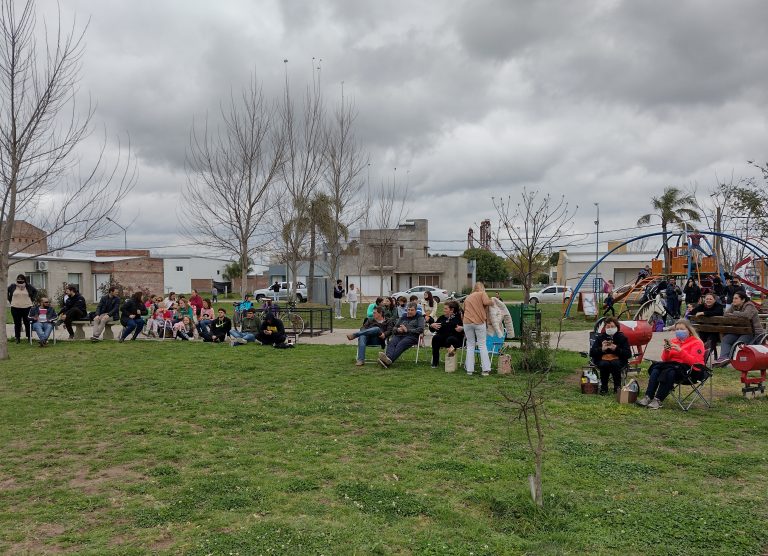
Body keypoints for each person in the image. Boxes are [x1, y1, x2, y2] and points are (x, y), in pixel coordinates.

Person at [637, 319, 705, 409]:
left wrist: (680, 351)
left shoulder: (696, 343)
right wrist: (666, 351)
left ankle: (658, 400)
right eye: (677, 329)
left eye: (682, 329)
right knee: (656, 368)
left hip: (691, 370)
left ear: (689, 330)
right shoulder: (674, 341)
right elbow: (665, 359)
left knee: (669, 371)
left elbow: (695, 362)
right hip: (673, 366)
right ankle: (648, 396)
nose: (679, 331)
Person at [713, 291, 764, 367]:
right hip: (739, 331)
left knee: (738, 342)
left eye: (736, 298)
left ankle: (733, 359)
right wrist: (736, 314)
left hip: (752, 333)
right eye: (733, 298)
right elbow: (726, 314)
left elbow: (747, 315)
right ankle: (723, 358)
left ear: (743, 300)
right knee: (726, 339)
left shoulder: (749, 305)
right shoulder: (734, 306)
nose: (733, 300)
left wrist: (734, 313)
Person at [589, 317, 631, 394]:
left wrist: (616, 349)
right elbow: (592, 353)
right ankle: (604, 387)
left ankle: (617, 387)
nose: (610, 328)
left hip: (618, 360)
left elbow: (628, 354)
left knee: (615, 363)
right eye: (608, 327)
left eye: (612, 326)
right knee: (604, 364)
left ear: (617, 327)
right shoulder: (600, 337)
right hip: (602, 359)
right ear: (605, 328)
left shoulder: (622, 338)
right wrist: (601, 349)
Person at [378, 302, 424, 368]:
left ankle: (387, 360)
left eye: (412, 310)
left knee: (401, 344)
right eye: (408, 309)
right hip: (400, 335)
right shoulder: (403, 316)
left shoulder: (419, 317)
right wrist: (398, 329)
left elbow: (421, 329)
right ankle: (387, 360)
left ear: (416, 310)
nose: (409, 311)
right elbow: (394, 327)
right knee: (391, 342)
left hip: (412, 337)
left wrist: (407, 330)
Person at [462, 282, 493, 376]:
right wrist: (493, 300)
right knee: (482, 345)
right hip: (479, 322)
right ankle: (485, 370)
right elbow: (486, 302)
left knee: (470, 345)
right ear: (482, 288)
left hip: (467, 322)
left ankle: (469, 370)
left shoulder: (468, 297)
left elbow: (464, 309)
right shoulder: (482, 294)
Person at [429, 301, 464, 368]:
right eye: (444, 308)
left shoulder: (459, 318)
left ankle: (450, 361)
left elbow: (466, 328)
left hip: (456, 339)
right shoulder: (442, 318)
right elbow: (433, 329)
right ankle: (435, 362)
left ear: (452, 310)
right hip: (443, 339)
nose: (443, 310)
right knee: (436, 338)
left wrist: (462, 328)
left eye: (446, 309)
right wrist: (431, 325)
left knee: (450, 339)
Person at [7, 273, 37, 344]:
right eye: (19, 279)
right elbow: (6, 292)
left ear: (24, 280)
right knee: (17, 323)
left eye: (21, 279)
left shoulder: (28, 286)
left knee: (27, 323)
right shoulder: (13, 286)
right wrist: (10, 300)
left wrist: (32, 299)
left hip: (27, 307)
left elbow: (35, 291)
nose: (20, 280)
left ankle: (29, 337)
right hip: (15, 307)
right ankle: (17, 338)